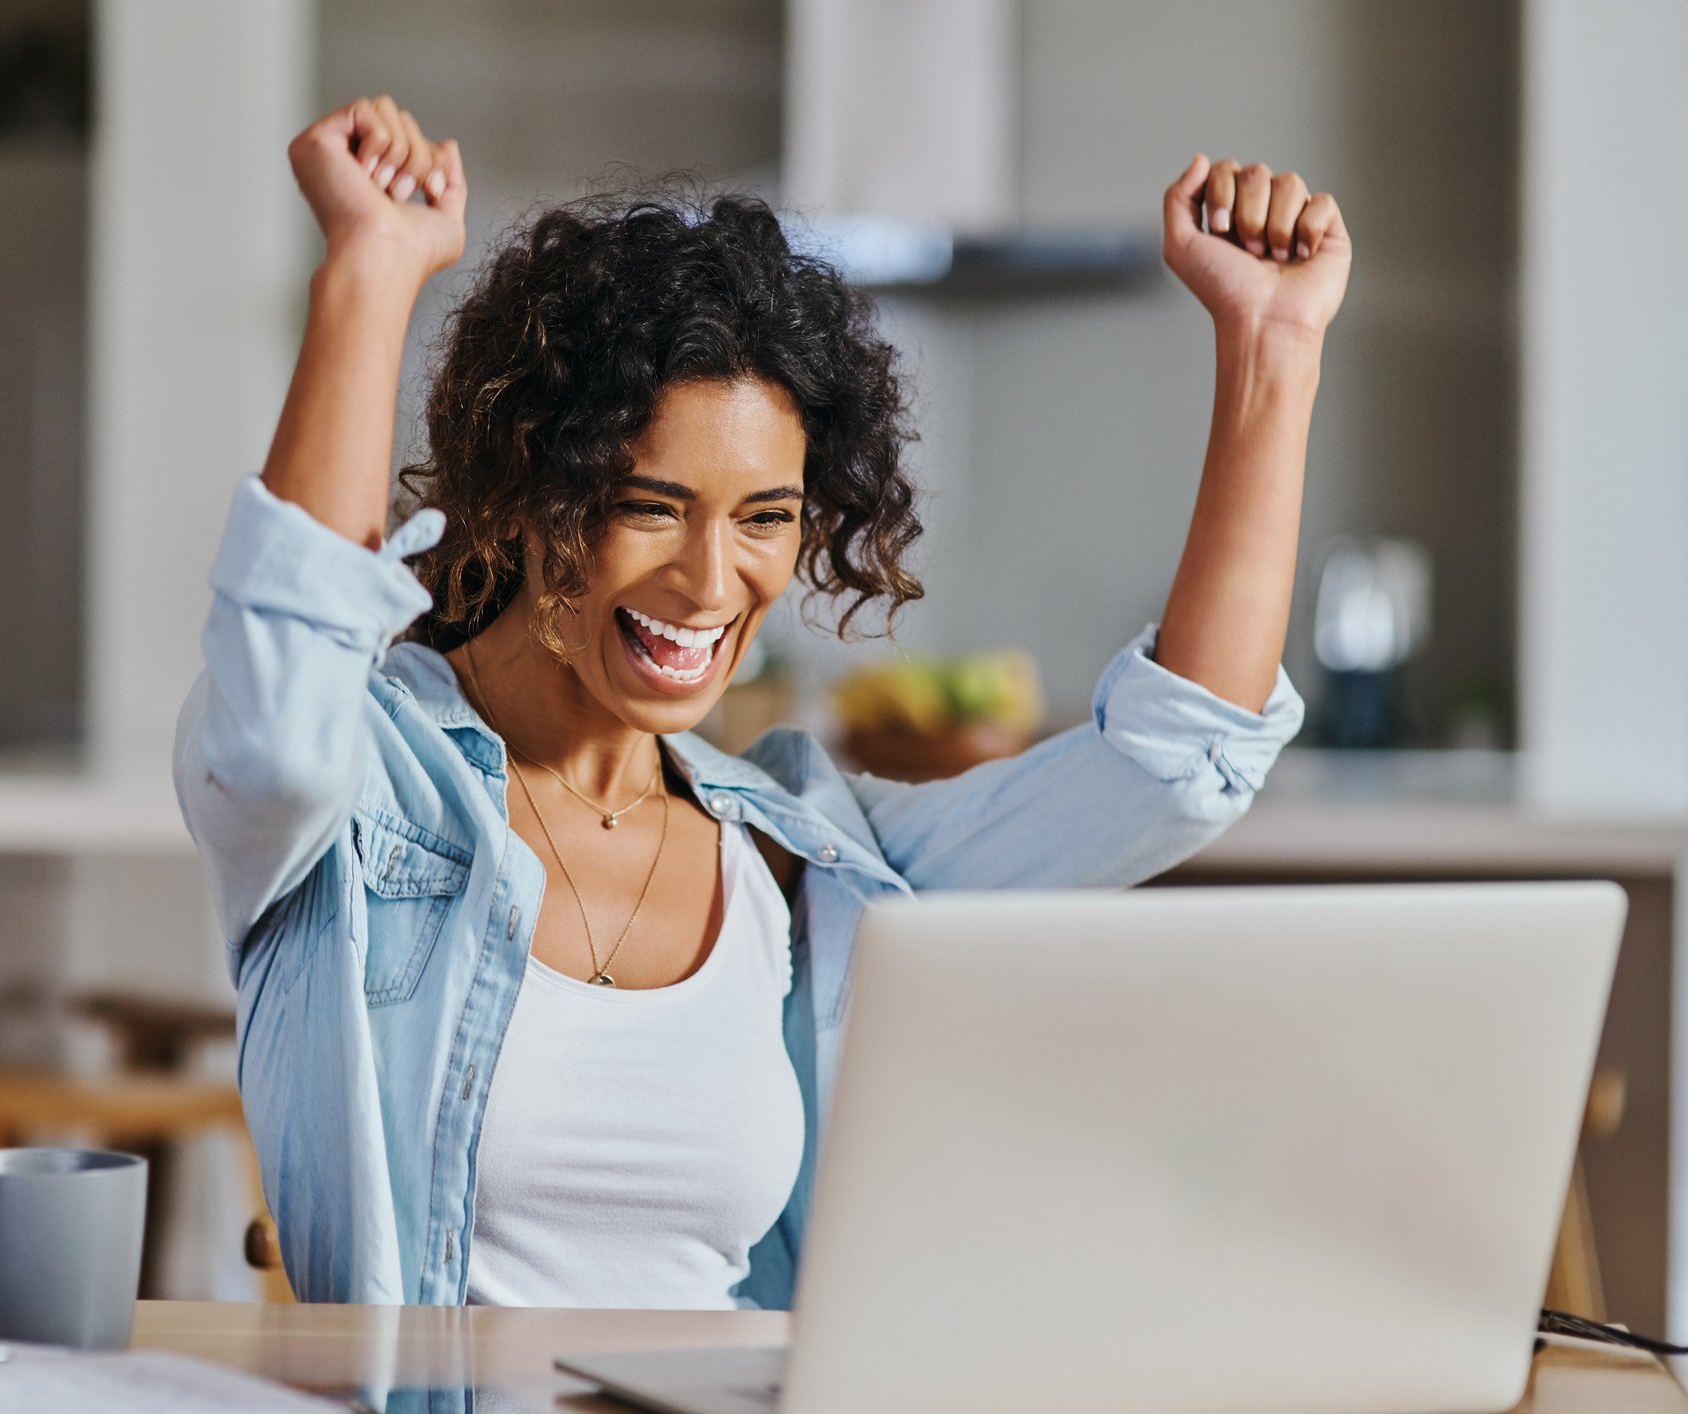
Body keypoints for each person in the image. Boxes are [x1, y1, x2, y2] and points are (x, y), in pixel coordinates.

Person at [176, 95, 1346, 1308]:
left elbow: (1172, 766)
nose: (707, 579)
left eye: (765, 518)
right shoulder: (364, 797)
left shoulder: (812, 859)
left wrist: (1274, 345)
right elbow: (284, 693)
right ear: (526, 492)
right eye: (650, 505)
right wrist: (371, 270)